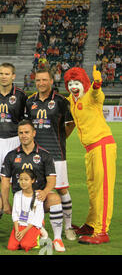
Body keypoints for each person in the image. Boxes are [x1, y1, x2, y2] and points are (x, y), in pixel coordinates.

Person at [64, 66, 117, 244]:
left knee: (103, 189)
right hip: (90, 149)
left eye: (77, 83)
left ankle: (102, 231)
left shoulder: (90, 96)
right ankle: (92, 224)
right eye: (70, 83)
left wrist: (97, 84)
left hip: (102, 145)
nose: (73, 86)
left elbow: (97, 95)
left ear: (84, 83)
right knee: (93, 190)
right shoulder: (71, 99)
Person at [25, 68, 77, 240]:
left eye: (44, 80)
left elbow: (70, 124)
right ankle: (36, 226)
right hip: (36, 154)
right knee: (36, 189)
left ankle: (68, 227)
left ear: (51, 81)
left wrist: (61, 138)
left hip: (55, 152)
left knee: (62, 190)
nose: (41, 83)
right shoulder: (30, 100)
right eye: (38, 80)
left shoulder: (61, 101)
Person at [1, 120, 66, 252]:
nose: (23, 135)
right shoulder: (11, 155)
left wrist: (45, 192)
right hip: (21, 201)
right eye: (21, 133)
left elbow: (52, 180)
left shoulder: (44, 155)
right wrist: (6, 202)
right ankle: (37, 227)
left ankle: (57, 238)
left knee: (55, 199)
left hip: (40, 199)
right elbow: (5, 181)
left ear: (34, 133)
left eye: (27, 132)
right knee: (17, 245)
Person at [0, 63, 27, 229]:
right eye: (1, 73)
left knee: (16, 178)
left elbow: (25, 121)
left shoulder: (21, 96)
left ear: (13, 76)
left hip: (13, 139)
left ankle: (20, 216)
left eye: (7, 73)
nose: (3, 76)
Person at [7, 169, 45, 252]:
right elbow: (15, 214)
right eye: (21, 179)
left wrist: (24, 231)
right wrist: (17, 230)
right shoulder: (17, 195)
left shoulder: (38, 196)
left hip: (31, 225)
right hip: (20, 224)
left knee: (26, 245)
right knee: (11, 247)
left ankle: (40, 234)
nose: (23, 182)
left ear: (32, 180)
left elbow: (38, 216)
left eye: (26, 179)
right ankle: (25, 238)